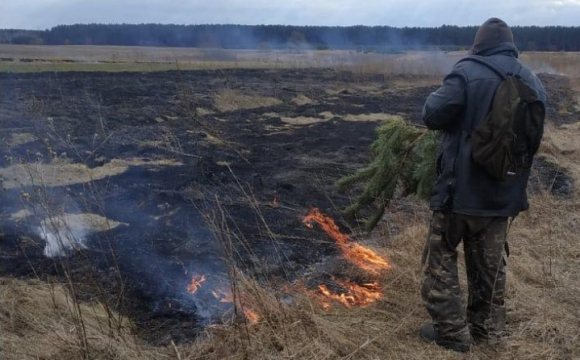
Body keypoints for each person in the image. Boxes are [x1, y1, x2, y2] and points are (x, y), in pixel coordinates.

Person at [419, 18, 547, 352]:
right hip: (504, 195)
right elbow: (532, 138)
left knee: (440, 259)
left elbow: (432, 113)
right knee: (490, 264)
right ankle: (486, 331)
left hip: (459, 192)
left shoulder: (467, 71)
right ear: (510, 44)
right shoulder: (531, 79)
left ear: (479, 44)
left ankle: (452, 334)